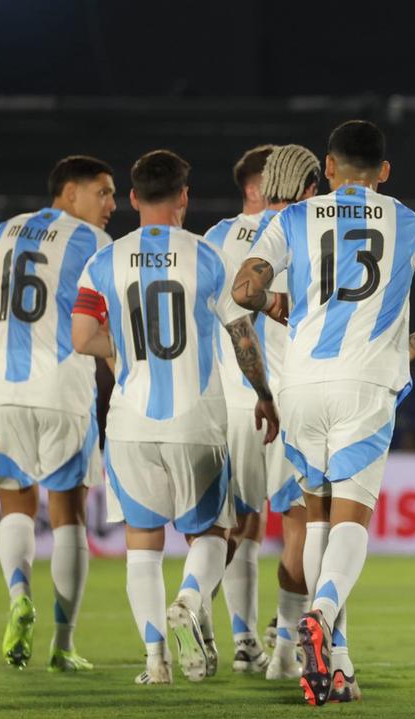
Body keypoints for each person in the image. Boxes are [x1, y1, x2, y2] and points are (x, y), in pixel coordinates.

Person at [233, 120, 415, 706]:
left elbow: (244, 292)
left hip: (299, 385)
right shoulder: (405, 220)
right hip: (365, 383)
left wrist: (274, 300)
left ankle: (337, 661)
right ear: (384, 172)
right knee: (350, 520)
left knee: (317, 519)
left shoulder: (292, 218)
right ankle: (321, 615)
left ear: (330, 168)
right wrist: (414, 343)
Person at [70, 150, 280, 685]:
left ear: (134, 198)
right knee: (211, 534)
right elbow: (242, 335)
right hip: (196, 422)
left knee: (142, 544)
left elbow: (80, 337)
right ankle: (189, 598)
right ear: (185, 196)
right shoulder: (207, 256)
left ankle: (155, 662)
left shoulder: (104, 261)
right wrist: (263, 393)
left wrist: (123, 354)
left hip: (129, 422)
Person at [0, 156, 115, 672]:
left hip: (2, 389)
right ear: (69, 193)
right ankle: (63, 645)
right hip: (63, 391)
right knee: (68, 521)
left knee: (15, 506)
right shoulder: (94, 245)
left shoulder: (3, 231)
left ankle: (19, 594)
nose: (111, 205)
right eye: (104, 192)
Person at [205, 144, 322, 679]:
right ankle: (284, 652)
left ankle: (237, 637)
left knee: (236, 527)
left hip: (227, 402)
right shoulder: (307, 227)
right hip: (289, 396)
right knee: (300, 522)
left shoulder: (215, 239)